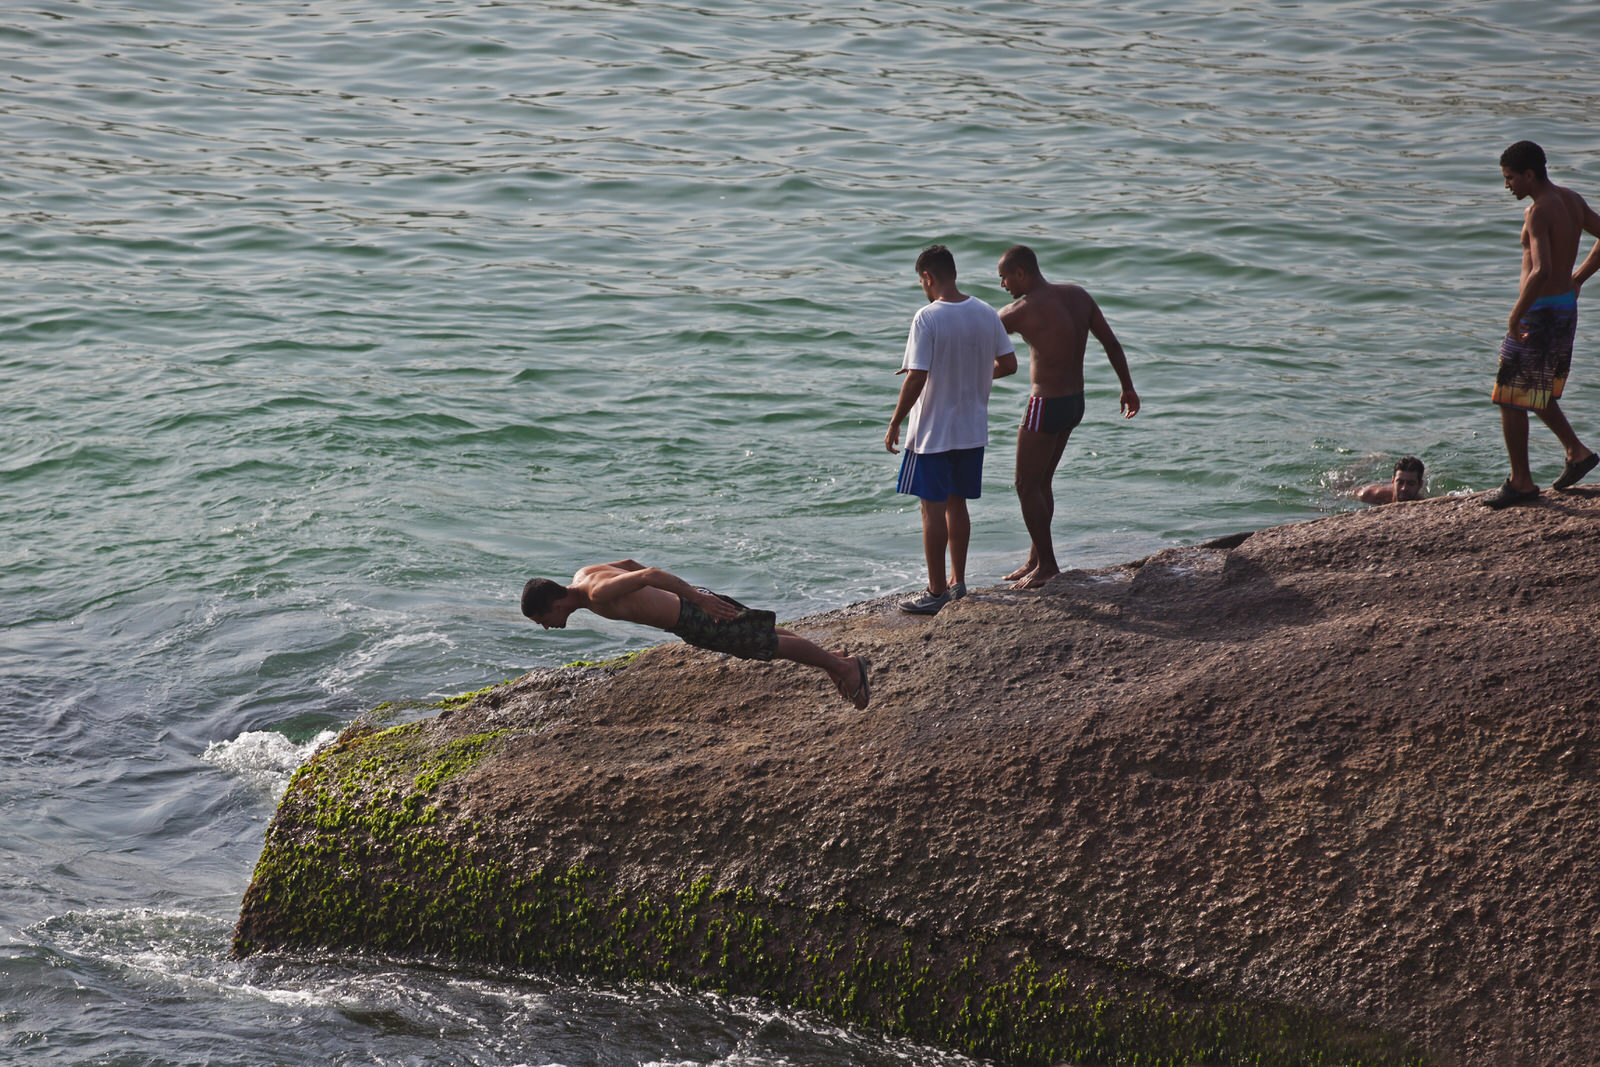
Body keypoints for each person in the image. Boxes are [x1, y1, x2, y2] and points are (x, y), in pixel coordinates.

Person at [521, 560, 871, 709]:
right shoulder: (584, 574)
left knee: (765, 644)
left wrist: (696, 601)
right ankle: (833, 662)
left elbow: (647, 575)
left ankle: (844, 668)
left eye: (543, 620)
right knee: (762, 632)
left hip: (691, 614)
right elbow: (630, 564)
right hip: (688, 602)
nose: (547, 627)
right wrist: (688, 594)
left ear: (555, 602)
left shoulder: (595, 594)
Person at [995, 245, 1139, 588]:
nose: (1002, 285)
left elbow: (974, 343)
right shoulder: (1078, 295)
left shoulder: (1016, 312)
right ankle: (1036, 558)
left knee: (1024, 484)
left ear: (1021, 273)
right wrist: (1128, 388)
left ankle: (1047, 565)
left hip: (1045, 404)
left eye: (1004, 277)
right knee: (1041, 481)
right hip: (1075, 403)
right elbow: (1111, 343)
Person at [884, 245, 1017, 615]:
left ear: (927, 277)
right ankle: (958, 583)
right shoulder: (986, 313)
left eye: (921, 281)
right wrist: (970, 373)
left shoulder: (926, 318)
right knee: (957, 505)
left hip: (932, 431)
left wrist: (895, 421)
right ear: (954, 272)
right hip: (971, 428)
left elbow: (918, 376)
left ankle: (936, 590)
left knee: (931, 510)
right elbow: (1008, 364)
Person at [1485, 140, 1600, 509]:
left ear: (1529, 174)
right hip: (1564, 308)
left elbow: (1542, 269)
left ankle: (1521, 482)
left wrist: (1515, 314)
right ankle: (1576, 452)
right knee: (1534, 391)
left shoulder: (1538, 211)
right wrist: (1579, 279)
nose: (1508, 187)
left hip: (1540, 312)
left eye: (1510, 179)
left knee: (1508, 397)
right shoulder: (1571, 199)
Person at [1355, 456, 1426, 505]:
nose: (1404, 488)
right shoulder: (1370, 495)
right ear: (1393, 481)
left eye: (1410, 484)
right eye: (1400, 482)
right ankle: (1371, 459)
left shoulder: (1424, 503)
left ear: (1420, 485)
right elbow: (1348, 493)